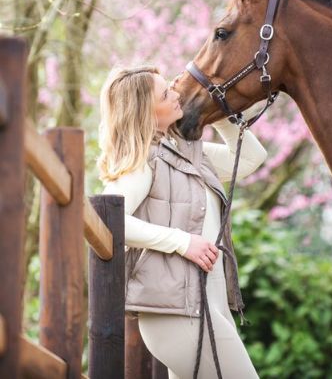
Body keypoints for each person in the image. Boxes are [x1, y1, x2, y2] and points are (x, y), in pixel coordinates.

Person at [98, 65, 265, 378]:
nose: (177, 95)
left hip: (205, 303)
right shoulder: (144, 161)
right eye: (166, 94)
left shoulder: (188, 153)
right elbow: (109, 219)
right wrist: (182, 241)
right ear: (145, 112)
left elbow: (251, 158)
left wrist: (220, 110)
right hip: (176, 314)